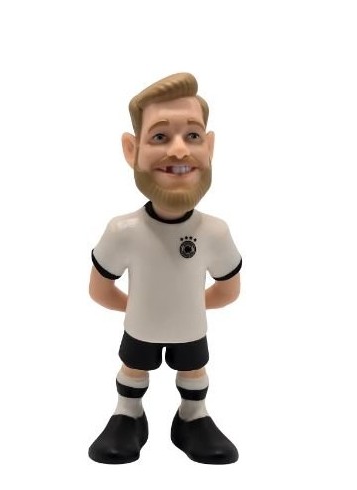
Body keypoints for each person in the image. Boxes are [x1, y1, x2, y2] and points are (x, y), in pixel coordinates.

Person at [88, 73, 242, 464]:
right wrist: (139, 308)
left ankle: (192, 417)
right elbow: (99, 289)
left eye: (192, 136)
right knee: (133, 368)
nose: (178, 150)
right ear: (132, 149)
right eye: (159, 136)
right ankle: (128, 414)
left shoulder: (215, 232)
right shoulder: (122, 231)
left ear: (209, 147)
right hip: (140, 327)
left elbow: (229, 288)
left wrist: (189, 305)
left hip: (191, 329)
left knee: (194, 371)